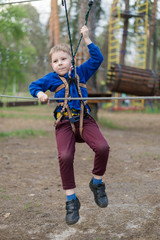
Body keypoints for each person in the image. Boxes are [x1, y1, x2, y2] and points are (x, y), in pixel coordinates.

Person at [29, 25, 110, 225]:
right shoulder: (51, 78)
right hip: (64, 122)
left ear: (71, 61)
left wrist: (87, 39)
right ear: (52, 65)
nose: (60, 63)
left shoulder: (81, 72)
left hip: (85, 120)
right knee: (65, 156)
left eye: (63, 59)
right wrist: (40, 93)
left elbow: (98, 59)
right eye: (55, 61)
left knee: (103, 147)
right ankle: (71, 200)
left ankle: (97, 183)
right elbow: (34, 86)